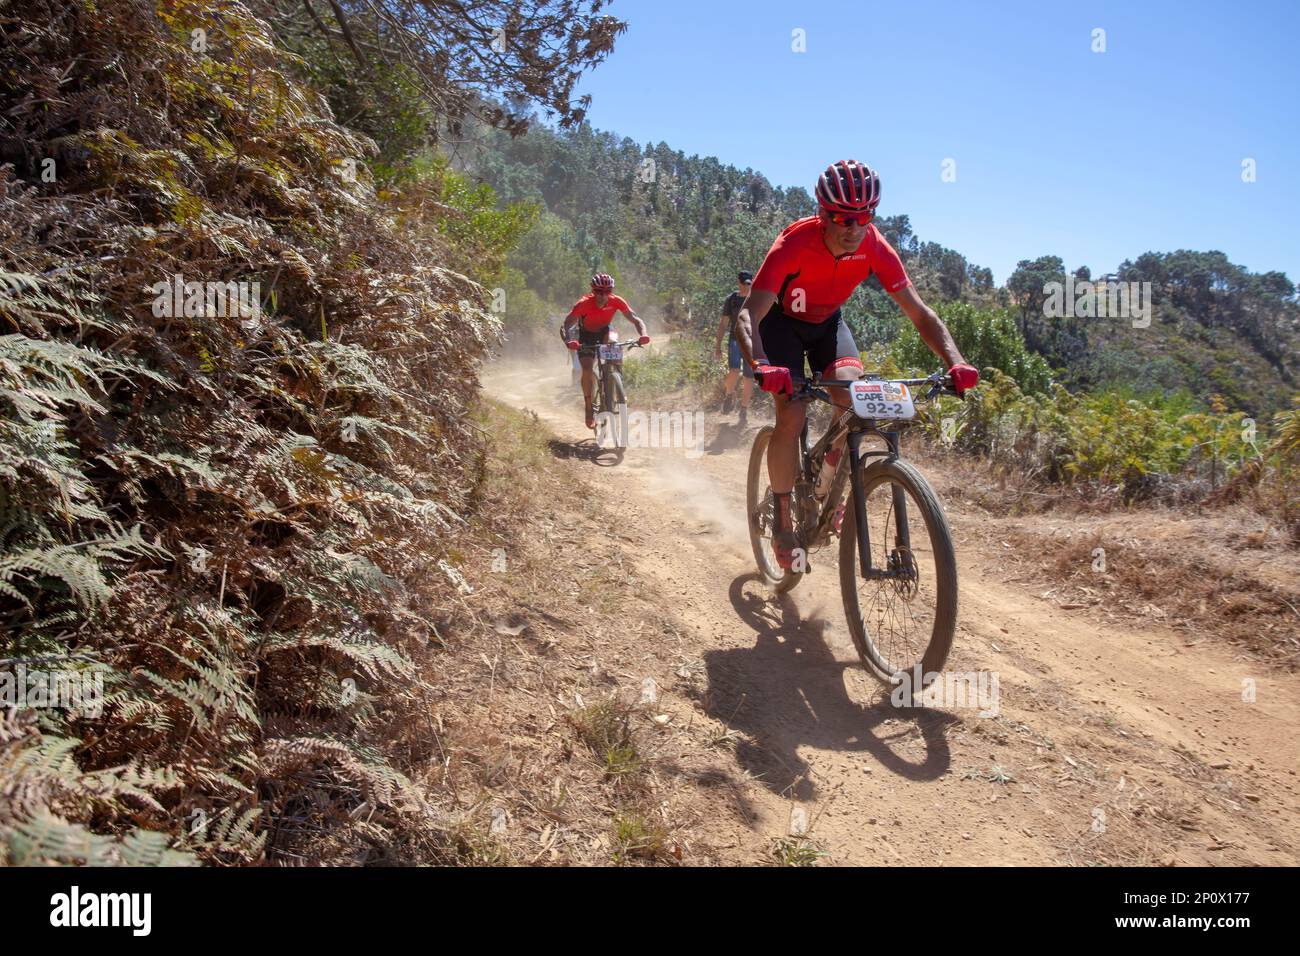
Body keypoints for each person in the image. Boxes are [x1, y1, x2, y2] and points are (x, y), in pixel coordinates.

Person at [733, 159, 979, 569]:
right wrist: (761, 363)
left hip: (828, 326)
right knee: (791, 415)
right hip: (782, 328)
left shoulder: (874, 246)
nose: (854, 228)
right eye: (843, 219)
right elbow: (748, 314)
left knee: (854, 395)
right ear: (822, 214)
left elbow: (920, 313)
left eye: (864, 217)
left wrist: (956, 361)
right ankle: (782, 517)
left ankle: (832, 479)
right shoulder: (793, 243)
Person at [561, 274, 650, 430]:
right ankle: (589, 406)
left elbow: (636, 319)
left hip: (605, 331)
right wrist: (569, 341)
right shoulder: (583, 303)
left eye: (607, 291)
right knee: (587, 369)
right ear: (593, 291)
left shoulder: (617, 301)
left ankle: (616, 381)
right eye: (599, 291)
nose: (602, 295)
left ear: (611, 291)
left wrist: (643, 334)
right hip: (586, 335)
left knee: (614, 342)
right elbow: (566, 324)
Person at [713, 270, 755, 425]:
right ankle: (729, 395)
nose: (746, 287)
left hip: (751, 342)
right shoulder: (731, 299)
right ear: (738, 282)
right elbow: (723, 323)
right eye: (743, 283)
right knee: (734, 371)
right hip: (735, 339)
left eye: (748, 284)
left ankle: (743, 410)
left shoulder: (755, 299)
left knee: (749, 377)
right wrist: (718, 346)